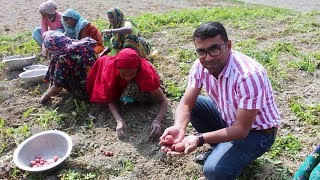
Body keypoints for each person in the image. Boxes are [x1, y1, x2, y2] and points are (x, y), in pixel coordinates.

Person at [159, 22, 281, 180]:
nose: (208, 58)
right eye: (201, 51)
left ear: (228, 45)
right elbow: (186, 103)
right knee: (196, 103)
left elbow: (241, 130)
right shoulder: (199, 66)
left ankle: (226, 155)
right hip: (229, 120)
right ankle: (221, 149)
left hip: (257, 133)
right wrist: (179, 128)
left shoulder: (249, 75)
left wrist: (199, 138)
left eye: (214, 49)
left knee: (213, 171)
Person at [86, 48, 168, 140]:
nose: (128, 77)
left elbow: (163, 100)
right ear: (117, 69)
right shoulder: (110, 72)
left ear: (137, 69)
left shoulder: (145, 74)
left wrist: (157, 120)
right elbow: (110, 98)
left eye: (132, 74)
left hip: (136, 81)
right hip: (104, 66)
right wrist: (119, 121)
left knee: (133, 88)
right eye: (124, 74)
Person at [40, 31, 97, 103]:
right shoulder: (83, 44)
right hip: (98, 84)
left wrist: (45, 96)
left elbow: (57, 88)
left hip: (86, 92)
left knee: (62, 75)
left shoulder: (63, 58)